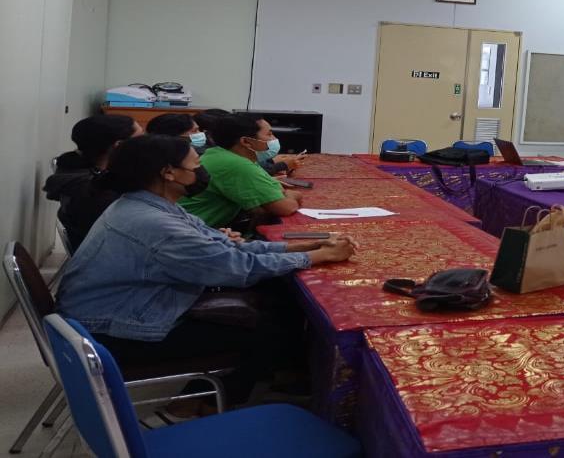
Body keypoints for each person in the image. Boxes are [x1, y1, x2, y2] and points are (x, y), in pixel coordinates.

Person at [56, 135, 354, 404]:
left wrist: (306, 247)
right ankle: (202, 403)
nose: (201, 172)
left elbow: (228, 248)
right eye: (195, 166)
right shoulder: (157, 223)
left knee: (277, 294)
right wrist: (316, 257)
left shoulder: (149, 204)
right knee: (267, 329)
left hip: (120, 306)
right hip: (115, 331)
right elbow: (238, 267)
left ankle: (274, 377)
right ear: (169, 173)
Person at [180, 113, 302, 229]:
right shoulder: (234, 164)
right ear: (246, 142)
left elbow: (275, 189)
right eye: (269, 135)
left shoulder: (222, 154)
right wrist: (292, 195)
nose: (274, 139)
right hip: (190, 232)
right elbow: (285, 208)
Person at [43, 115, 143, 253]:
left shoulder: (77, 171)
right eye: (141, 139)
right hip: (109, 255)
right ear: (119, 145)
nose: (146, 144)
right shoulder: (95, 191)